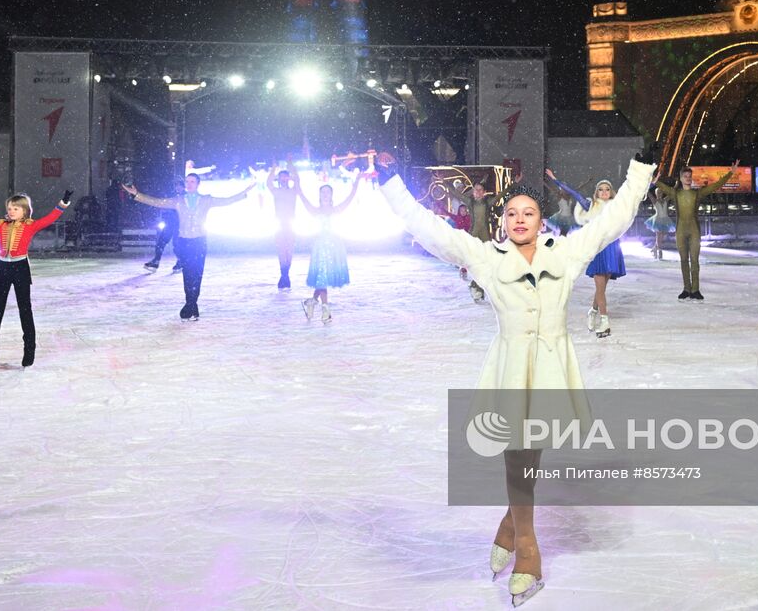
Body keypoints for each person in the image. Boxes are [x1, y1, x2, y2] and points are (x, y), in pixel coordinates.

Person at [376, 145, 656, 606]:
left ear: (541, 220)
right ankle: (528, 546)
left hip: (549, 368)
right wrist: (391, 184)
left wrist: (641, 170)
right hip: (509, 367)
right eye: (512, 213)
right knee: (516, 455)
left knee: (530, 454)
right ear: (503, 221)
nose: (519, 220)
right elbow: (430, 231)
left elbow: (614, 219)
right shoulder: (487, 257)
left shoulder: (566, 253)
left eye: (528, 213)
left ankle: (510, 523)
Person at [0, 190, 72, 367]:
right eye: (9, 208)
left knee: (25, 310)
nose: (11, 211)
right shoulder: (1, 225)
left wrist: (62, 203)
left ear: (24, 211)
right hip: (3, 268)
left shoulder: (30, 225)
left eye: (15, 209)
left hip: (20, 268)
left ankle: (29, 350)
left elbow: (50, 218)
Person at [123, 173, 254, 320]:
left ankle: (190, 305)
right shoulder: (178, 200)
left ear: (198, 184)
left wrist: (244, 193)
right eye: (187, 181)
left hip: (199, 241)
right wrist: (137, 195)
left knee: (197, 274)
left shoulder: (206, 200)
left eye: (192, 181)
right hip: (184, 242)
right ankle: (191, 305)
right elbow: (158, 202)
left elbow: (227, 201)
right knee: (187, 275)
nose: (189, 184)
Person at [546, 169, 630, 338]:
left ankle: (592, 311)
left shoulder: (617, 205)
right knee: (600, 286)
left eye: (607, 189)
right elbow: (572, 192)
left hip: (612, 246)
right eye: (601, 189)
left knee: (602, 287)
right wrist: (555, 180)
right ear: (597, 192)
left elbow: (635, 197)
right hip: (597, 246)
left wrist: (650, 183)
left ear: (611, 192)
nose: (604, 192)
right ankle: (604, 320)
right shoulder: (591, 205)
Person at [297, 168, 365, 323]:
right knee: (322, 276)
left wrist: (356, 182)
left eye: (328, 192)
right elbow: (302, 197)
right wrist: (297, 184)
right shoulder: (315, 210)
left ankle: (311, 302)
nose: (325, 194)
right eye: (323, 192)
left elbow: (351, 197)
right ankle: (325, 310)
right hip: (320, 247)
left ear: (331, 195)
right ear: (320, 195)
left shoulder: (336, 209)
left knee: (324, 278)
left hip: (334, 247)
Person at [672, 162, 737, 300]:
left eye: (690, 176)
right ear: (681, 179)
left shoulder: (697, 193)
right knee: (684, 260)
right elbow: (662, 186)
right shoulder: (675, 193)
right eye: (685, 176)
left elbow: (716, 186)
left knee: (694, 260)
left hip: (694, 230)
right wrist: (652, 179)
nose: (688, 178)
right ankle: (686, 289)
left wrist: (731, 173)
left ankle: (695, 290)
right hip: (680, 231)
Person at [267, 168, 299, 288]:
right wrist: (273, 169)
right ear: (279, 179)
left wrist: (291, 166)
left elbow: (298, 180)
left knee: (289, 250)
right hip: (280, 223)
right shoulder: (276, 191)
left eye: (286, 177)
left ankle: (285, 275)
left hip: (290, 223)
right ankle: (284, 275)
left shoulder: (293, 191)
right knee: (281, 250)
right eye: (282, 177)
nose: (284, 179)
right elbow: (268, 183)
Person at [646, 176, 677, 260]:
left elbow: (671, 193)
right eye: (658, 192)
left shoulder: (666, 200)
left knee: (661, 236)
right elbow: (648, 193)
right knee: (658, 235)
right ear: (656, 194)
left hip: (665, 219)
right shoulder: (654, 200)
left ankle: (655, 248)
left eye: (660, 192)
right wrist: (646, 185)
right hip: (657, 220)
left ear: (662, 193)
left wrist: (676, 185)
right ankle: (660, 251)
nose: (659, 194)